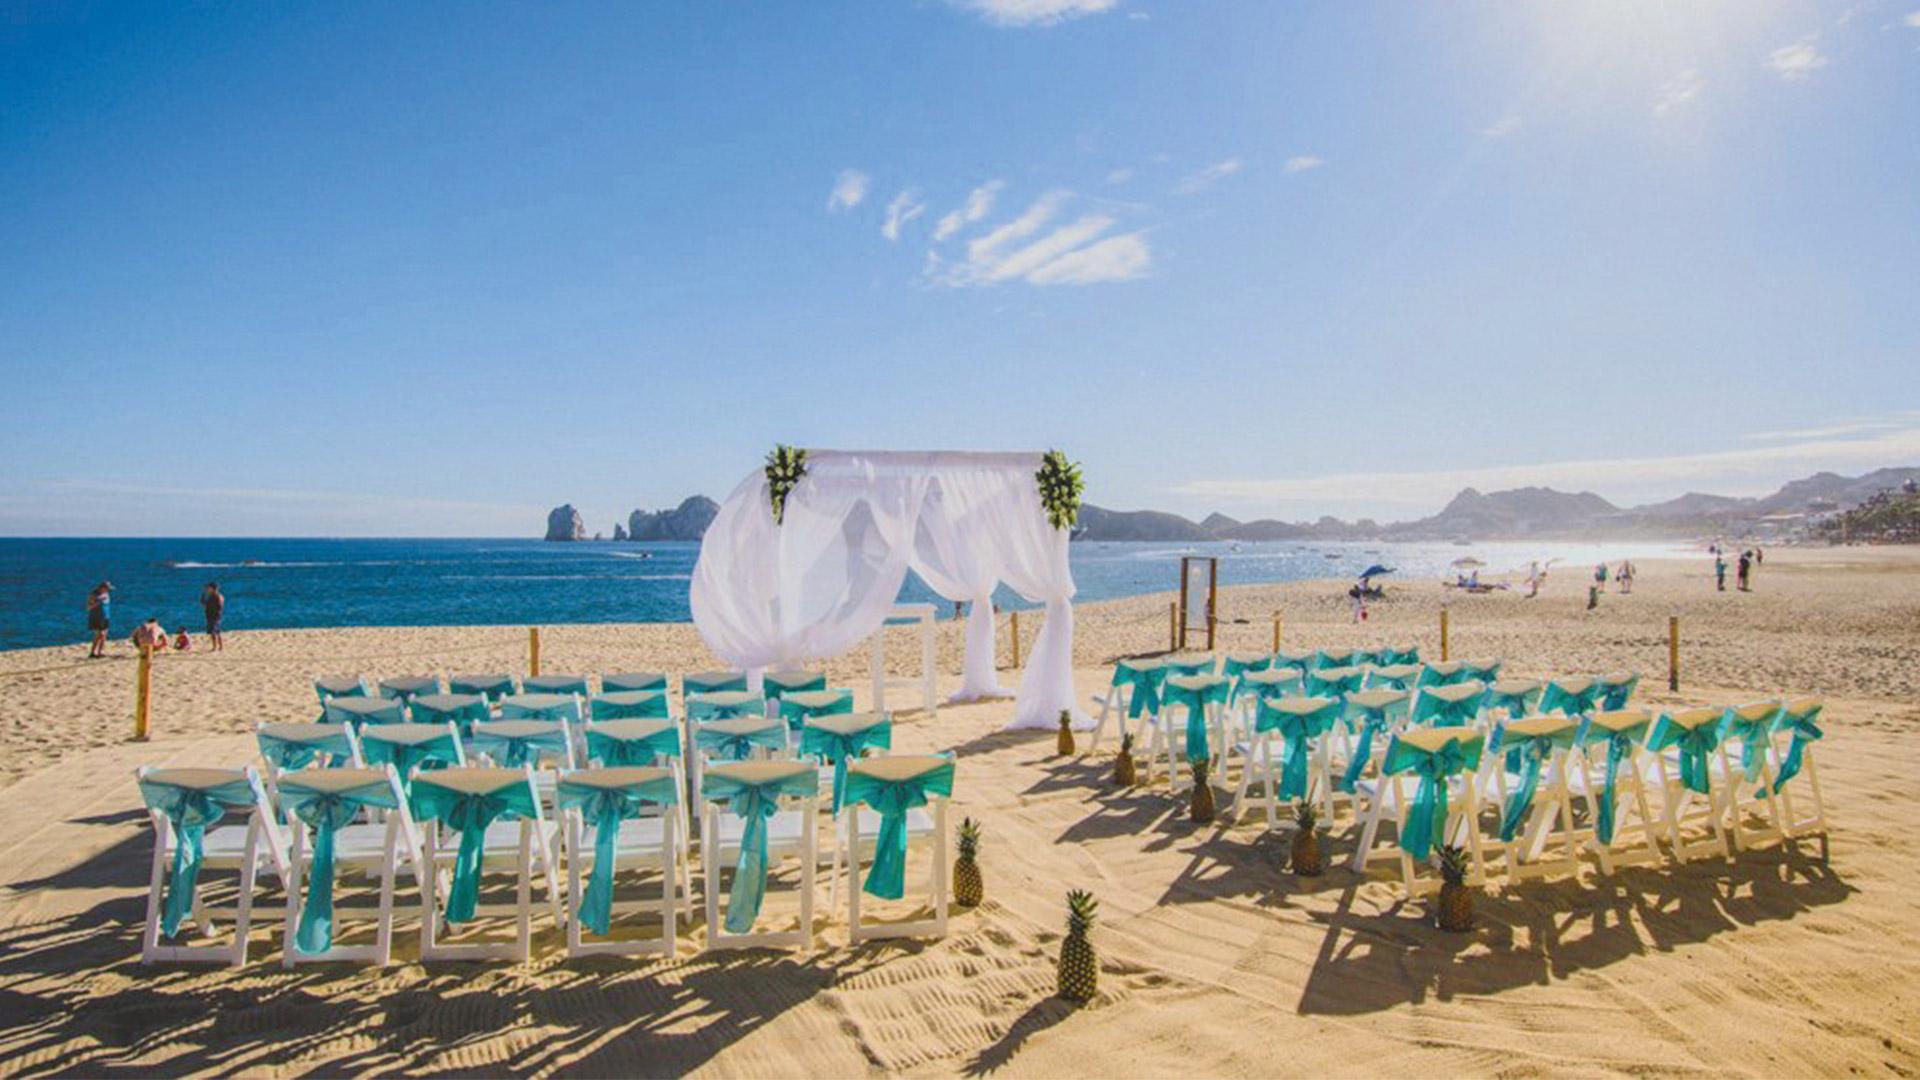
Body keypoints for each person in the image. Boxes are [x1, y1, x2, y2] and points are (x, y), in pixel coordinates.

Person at [86, 581, 113, 658]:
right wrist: (97, 603)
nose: (108, 591)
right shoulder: (93, 595)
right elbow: (88, 607)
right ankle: (93, 652)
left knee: (104, 635)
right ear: (102, 588)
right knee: (100, 634)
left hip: (105, 616)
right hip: (96, 617)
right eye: (107, 589)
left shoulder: (106, 595)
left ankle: (100, 652)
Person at [201, 582, 226, 652]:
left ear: (212, 588)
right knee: (217, 632)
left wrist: (214, 612)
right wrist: (204, 595)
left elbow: (219, 606)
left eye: (208, 588)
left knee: (213, 632)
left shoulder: (216, 596)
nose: (207, 589)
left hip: (214, 616)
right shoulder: (213, 596)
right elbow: (204, 604)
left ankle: (215, 647)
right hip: (214, 616)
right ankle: (220, 647)